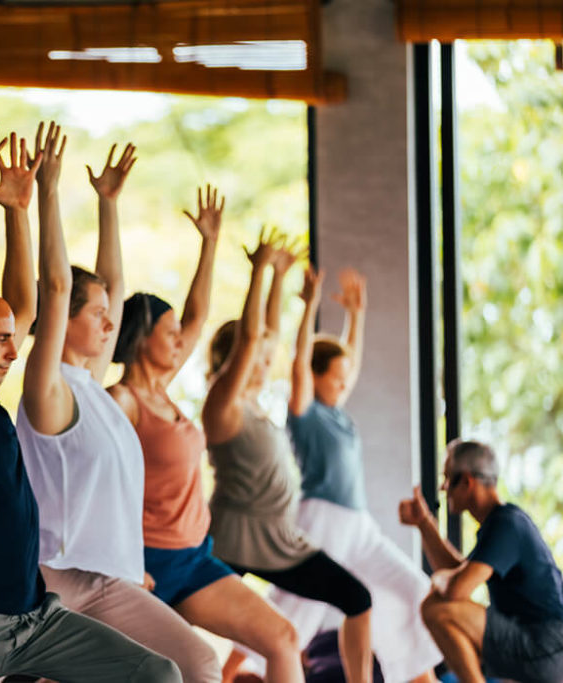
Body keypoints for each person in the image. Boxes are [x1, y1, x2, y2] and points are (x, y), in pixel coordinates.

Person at [0, 116, 179, 683]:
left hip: (36, 621)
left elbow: (26, 306)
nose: (12, 349)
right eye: (0, 340)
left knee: (159, 675)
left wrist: (17, 210)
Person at [14, 123, 200, 681]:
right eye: (94, 313)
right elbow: (52, 287)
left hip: (111, 579)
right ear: (62, 323)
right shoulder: (50, 389)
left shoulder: (90, 385)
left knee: (195, 662)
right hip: (63, 582)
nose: (110, 321)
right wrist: (47, 192)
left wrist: (108, 205)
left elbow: (112, 286)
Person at [107, 186, 304, 683]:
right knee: (191, 671)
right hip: (147, 566)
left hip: (195, 557)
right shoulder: (122, 401)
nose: (181, 339)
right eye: (168, 332)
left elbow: (195, 316)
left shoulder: (162, 391)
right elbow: (101, 490)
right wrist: (122, 561)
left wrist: (210, 244)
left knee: (283, 639)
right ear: (141, 338)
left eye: (179, 333)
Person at [202, 231, 374, 683]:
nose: (263, 362)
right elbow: (254, 337)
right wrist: (260, 273)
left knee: (356, 599)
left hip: (277, 539)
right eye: (253, 358)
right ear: (232, 362)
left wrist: (282, 280)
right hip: (233, 538)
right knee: (174, 628)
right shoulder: (224, 406)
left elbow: (268, 335)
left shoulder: (257, 407)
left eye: (263, 358)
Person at [259, 266, 441, 683]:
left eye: (345, 378)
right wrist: (308, 308)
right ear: (316, 376)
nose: (344, 384)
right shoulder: (305, 413)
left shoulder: (338, 414)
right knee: (294, 611)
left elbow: (352, 362)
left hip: (357, 524)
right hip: (322, 518)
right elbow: (299, 364)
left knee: (413, 589)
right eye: (335, 377)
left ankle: (413, 674)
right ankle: (239, 669)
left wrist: (356, 315)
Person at [399, 440, 563, 683]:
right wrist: (424, 523)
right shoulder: (499, 523)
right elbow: (458, 571)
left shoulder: (507, 524)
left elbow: (456, 588)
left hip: (544, 647)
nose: (444, 488)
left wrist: (441, 579)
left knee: (436, 607)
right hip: (539, 646)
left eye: (448, 478)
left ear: (467, 481)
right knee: (439, 604)